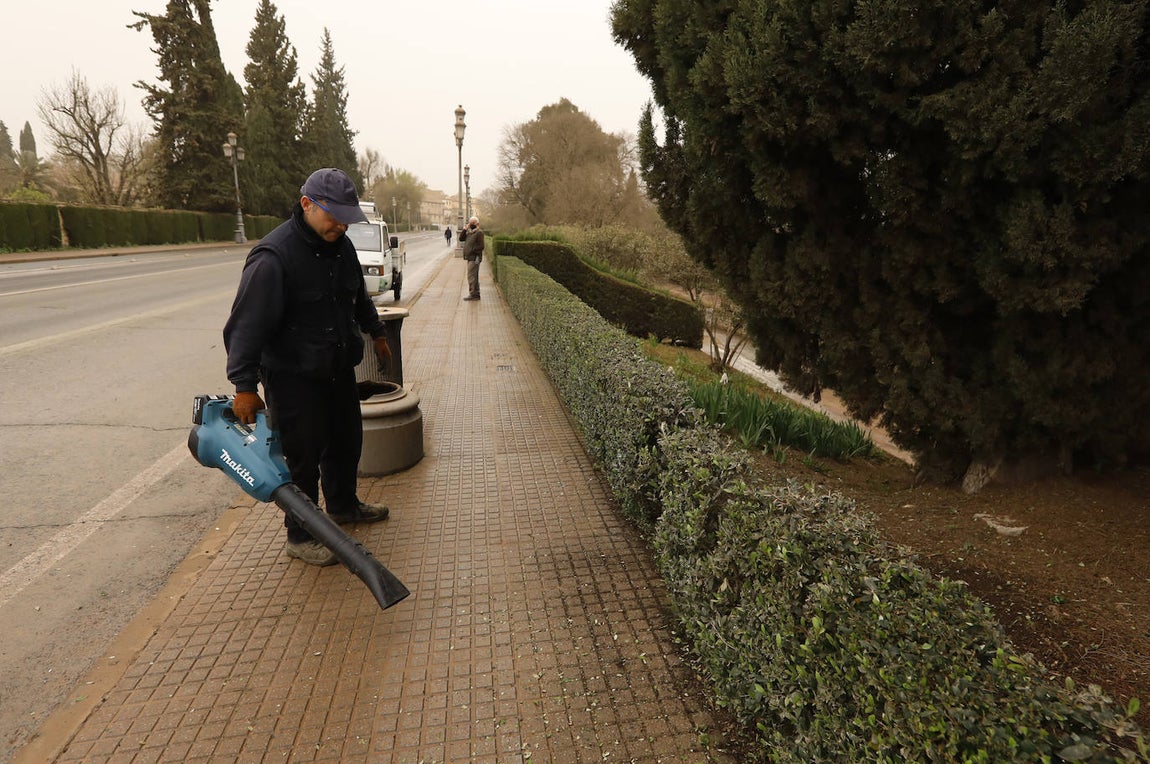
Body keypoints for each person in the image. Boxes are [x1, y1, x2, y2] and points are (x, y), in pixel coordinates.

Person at [223, 167, 393, 567]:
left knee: (345, 442)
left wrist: (376, 331)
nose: (340, 225)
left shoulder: (342, 246)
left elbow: (358, 299)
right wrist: (244, 386)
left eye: (346, 218)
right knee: (301, 459)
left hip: (335, 369)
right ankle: (300, 536)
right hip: (293, 377)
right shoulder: (274, 257)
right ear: (306, 205)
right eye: (333, 216)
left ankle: (343, 505)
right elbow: (246, 326)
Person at [462, 215, 485, 301]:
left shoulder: (479, 233)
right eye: (470, 223)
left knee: (471, 276)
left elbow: (481, 246)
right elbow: (461, 238)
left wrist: (472, 250)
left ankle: (473, 294)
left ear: (477, 224)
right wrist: (465, 229)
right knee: (473, 276)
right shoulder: (470, 232)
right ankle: (475, 294)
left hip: (475, 258)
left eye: (472, 223)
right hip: (470, 257)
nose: (470, 224)